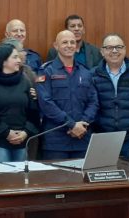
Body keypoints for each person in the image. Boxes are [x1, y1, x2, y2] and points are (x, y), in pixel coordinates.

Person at [37, 30, 100, 159]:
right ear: (56, 46)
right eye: (64, 42)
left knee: (82, 179)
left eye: (72, 42)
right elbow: (46, 103)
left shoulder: (85, 72)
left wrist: (82, 124)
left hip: (82, 138)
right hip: (56, 141)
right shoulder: (46, 71)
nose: (69, 45)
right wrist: (71, 124)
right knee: (57, 179)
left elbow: (93, 101)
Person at [0, 43, 40, 163]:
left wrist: (25, 132)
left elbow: (33, 111)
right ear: (3, 61)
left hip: (22, 140)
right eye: (15, 57)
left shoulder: (25, 81)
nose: (19, 60)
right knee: (2, 179)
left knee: (20, 180)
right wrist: (6, 133)